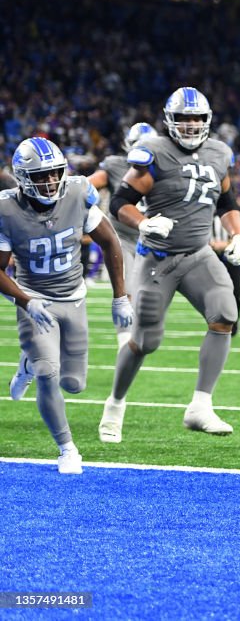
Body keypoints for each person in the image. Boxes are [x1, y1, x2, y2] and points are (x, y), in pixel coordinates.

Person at [99, 86, 240, 443]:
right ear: (170, 121)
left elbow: (227, 201)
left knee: (225, 313)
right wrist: (143, 223)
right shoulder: (155, 152)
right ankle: (115, 404)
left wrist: (237, 234)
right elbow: (121, 200)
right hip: (158, 260)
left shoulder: (218, 153)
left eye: (198, 118)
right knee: (145, 340)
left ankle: (200, 406)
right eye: (185, 118)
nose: (192, 125)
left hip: (197, 254)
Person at [2, 137, 133, 473]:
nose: (50, 181)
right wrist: (26, 301)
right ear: (23, 177)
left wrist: (120, 296)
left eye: (55, 173)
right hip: (37, 300)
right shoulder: (6, 210)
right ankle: (67, 449)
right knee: (49, 371)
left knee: (74, 384)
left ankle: (28, 363)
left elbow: (109, 241)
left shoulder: (77, 193)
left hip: (74, 298)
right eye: (41, 175)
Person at [87, 122, 156, 349]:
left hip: (154, 240)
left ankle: (136, 336)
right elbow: (88, 186)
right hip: (124, 238)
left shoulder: (167, 166)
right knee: (124, 292)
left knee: (148, 297)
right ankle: (124, 342)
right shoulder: (116, 165)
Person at [211, 207, 240, 336]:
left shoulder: (237, 214)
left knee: (235, 292)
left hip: (231, 256)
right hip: (211, 256)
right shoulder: (206, 209)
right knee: (212, 292)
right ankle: (216, 322)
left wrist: (227, 244)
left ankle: (233, 322)